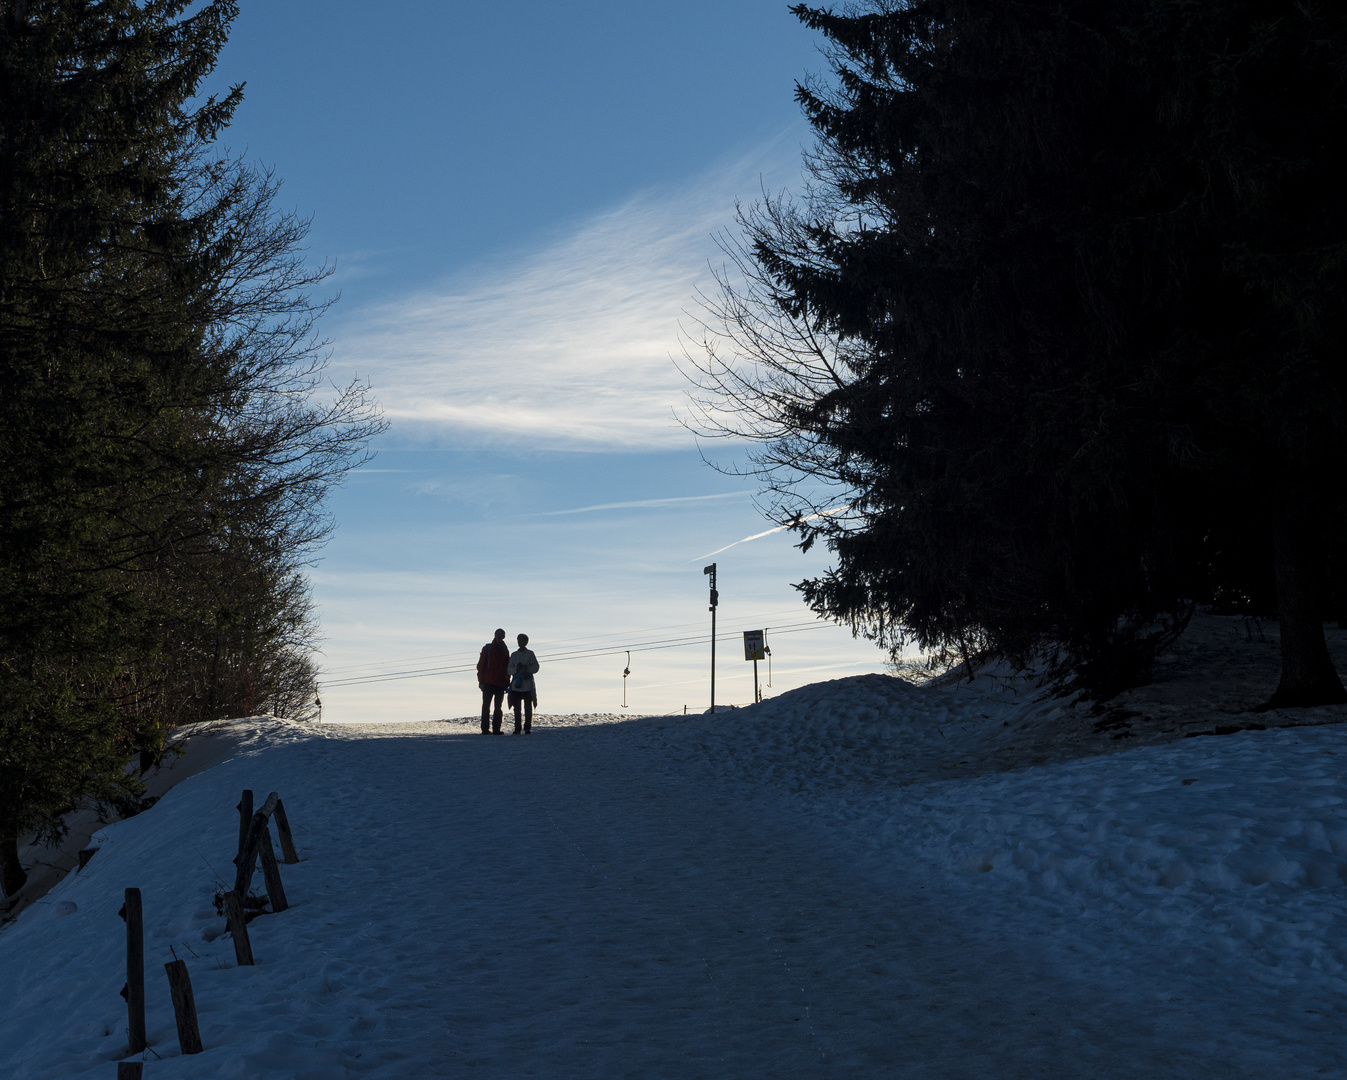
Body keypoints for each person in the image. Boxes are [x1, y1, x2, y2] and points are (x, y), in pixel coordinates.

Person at [476, 628, 510, 735]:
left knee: (498, 707)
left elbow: (507, 669)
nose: (499, 636)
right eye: (498, 634)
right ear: (495, 635)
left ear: (503, 637)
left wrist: (506, 683)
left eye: (501, 635)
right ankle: (485, 729)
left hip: (500, 683)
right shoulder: (488, 649)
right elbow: (481, 666)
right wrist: (481, 681)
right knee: (486, 706)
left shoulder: (505, 650)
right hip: (488, 682)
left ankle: (496, 729)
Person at [507, 633, 540, 735]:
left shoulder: (530, 654)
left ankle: (527, 727)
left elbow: (536, 667)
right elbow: (508, 669)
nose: (520, 642)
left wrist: (527, 668)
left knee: (528, 707)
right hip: (516, 685)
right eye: (518, 640)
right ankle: (517, 728)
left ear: (526, 642)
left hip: (527, 685)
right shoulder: (514, 655)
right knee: (517, 708)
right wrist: (516, 669)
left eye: (522, 640)